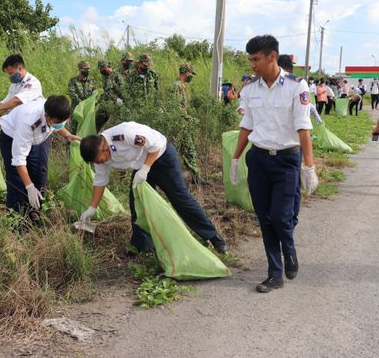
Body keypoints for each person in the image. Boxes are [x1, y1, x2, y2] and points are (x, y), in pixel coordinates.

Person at [230, 35, 318, 293]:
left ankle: (289, 249)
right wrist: (236, 157)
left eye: (256, 59)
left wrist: (309, 167)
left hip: (286, 160)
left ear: (271, 56)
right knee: (265, 219)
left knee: (281, 217)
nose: (252, 64)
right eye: (250, 60)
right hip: (258, 159)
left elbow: (304, 130)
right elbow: (246, 126)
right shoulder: (250, 90)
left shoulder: (296, 87)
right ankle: (274, 274)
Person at [78, 122, 228, 254]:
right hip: (141, 166)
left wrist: (145, 169)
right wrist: (92, 208)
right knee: (137, 204)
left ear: (104, 147)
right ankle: (142, 247)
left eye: (101, 160)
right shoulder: (99, 157)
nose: (101, 163)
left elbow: (155, 145)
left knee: (180, 199)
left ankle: (214, 237)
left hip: (161, 158)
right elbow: (100, 180)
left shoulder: (125, 134)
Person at [0, 95, 78, 226]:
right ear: (46, 116)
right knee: (17, 181)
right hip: (13, 136)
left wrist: (67, 134)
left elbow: (57, 125)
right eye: (56, 122)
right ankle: (17, 221)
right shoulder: (28, 122)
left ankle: (34, 213)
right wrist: (29, 187)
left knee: (40, 173)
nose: (59, 125)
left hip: (40, 137)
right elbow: (19, 160)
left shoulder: (57, 110)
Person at [0, 54, 43, 123]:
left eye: (11, 73)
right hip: (20, 120)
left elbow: (16, 101)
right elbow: (7, 103)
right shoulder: (15, 84)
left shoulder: (32, 83)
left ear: (20, 68)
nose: (10, 76)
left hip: (34, 121)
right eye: (9, 74)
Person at [173, 62, 204, 184]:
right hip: (179, 124)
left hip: (181, 123)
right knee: (188, 150)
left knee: (182, 151)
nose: (192, 76)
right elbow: (176, 107)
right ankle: (195, 178)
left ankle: (195, 178)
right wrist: (188, 118)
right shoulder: (177, 86)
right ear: (186, 73)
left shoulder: (180, 85)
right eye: (191, 74)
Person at [96, 59, 124, 132]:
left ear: (107, 66)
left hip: (116, 104)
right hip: (106, 104)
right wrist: (98, 101)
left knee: (114, 126)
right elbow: (106, 92)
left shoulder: (117, 76)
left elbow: (121, 90)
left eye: (102, 68)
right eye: (100, 69)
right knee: (98, 121)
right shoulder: (105, 76)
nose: (101, 70)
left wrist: (117, 99)